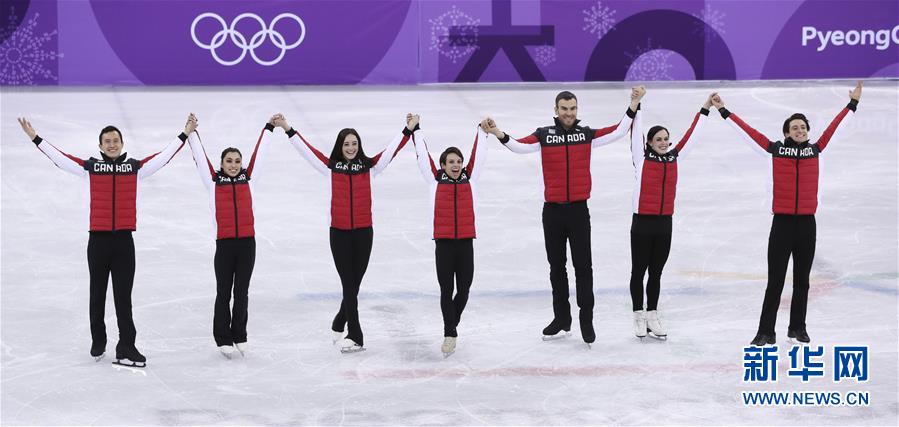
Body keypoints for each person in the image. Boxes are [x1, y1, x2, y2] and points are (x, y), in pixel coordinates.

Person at [16, 117, 187, 367]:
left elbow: (161, 158)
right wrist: (36, 138)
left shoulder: (134, 168)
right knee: (97, 293)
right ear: (100, 145)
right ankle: (98, 340)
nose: (112, 144)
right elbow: (62, 159)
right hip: (98, 241)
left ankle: (126, 346)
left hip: (124, 242)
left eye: (115, 140)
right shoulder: (91, 168)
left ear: (122, 143)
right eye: (107, 141)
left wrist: (184, 134)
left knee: (123, 297)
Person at [482, 87, 645, 345]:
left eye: (573, 109)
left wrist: (634, 103)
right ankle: (561, 318)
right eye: (564, 109)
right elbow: (519, 146)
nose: (569, 113)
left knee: (583, 267)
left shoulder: (586, 134)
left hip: (579, 211)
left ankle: (586, 320)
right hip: (553, 212)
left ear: (576, 110)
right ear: (556, 111)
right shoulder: (544, 135)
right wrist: (497, 132)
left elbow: (619, 130)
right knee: (556, 268)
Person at [711, 81, 862, 346]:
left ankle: (798, 328)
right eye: (795, 128)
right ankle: (765, 332)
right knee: (775, 282)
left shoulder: (817, 150)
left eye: (803, 127)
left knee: (802, 281)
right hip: (781, 224)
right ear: (786, 133)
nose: (800, 130)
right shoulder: (775, 151)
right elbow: (748, 133)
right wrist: (724, 111)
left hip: (807, 224)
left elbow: (835, 128)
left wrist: (852, 104)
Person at [273, 113, 411, 353]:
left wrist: (408, 130)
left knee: (354, 283)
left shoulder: (370, 167)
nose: (350, 148)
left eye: (354, 143)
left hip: (364, 233)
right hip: (339, 234)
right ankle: (355, 334)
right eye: (346, 144)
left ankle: (340, 318)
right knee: (348, 282)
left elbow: (392, 150)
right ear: (340, 146)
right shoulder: (330, 167)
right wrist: (287, 128)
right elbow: (307, 150)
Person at [184, 113, 274, 358]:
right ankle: (223, 337)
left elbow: (260, 154)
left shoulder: (250, 179)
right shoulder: (213, 182)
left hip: (247, 244)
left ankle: (240, 335)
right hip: (224, 245)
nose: (233, 165)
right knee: (224, 291)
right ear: (222, 164)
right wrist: (191, 132)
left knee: (241, 292)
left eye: (237, 161)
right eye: (229, 161)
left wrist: (268, 128)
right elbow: (200, 158)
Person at [627, 94, 714, 340]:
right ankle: (638, 315)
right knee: (638, 271)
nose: (664, 143)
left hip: (665, 223)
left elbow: (692, 135)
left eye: (666, 139)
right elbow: (635, 133)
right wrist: (637, 105)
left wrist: (705, 107)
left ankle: (652, 314)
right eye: (659, 139)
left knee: (656, 272)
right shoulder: (642, 159)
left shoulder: (675, 157)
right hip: (642, 222)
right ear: (650, 143)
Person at [408, 114, 488, 356]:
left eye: (459, 161)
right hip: (443, 244)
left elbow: (479, 157)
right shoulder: (434, 180)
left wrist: (482, 131)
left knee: (463, 290)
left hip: (465, 243)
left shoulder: (469, 179)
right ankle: (449, 333)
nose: (456, 165)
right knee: (446, 290)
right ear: (443, 165)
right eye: (451, 161)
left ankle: (451, 325)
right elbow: (423, 155)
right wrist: (416, 130)